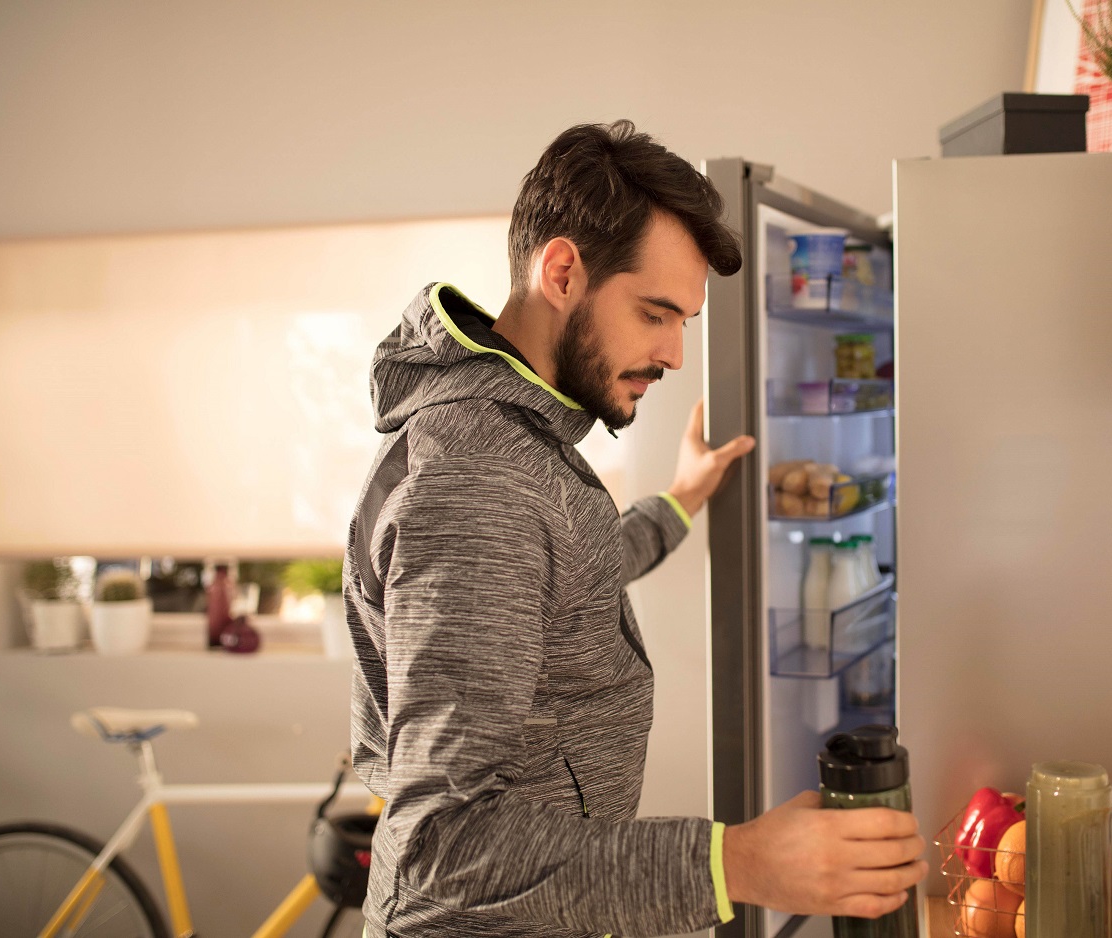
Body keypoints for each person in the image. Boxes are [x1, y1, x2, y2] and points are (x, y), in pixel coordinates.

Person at [345, 120, 926, 938]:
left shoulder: (518, 442)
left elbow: (568, 575)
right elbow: (441, 846)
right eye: (656, 313)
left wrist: (681, 501)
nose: (677, 353)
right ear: (561, 271)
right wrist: (739, 863)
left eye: (684, 319)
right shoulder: (481, 478)